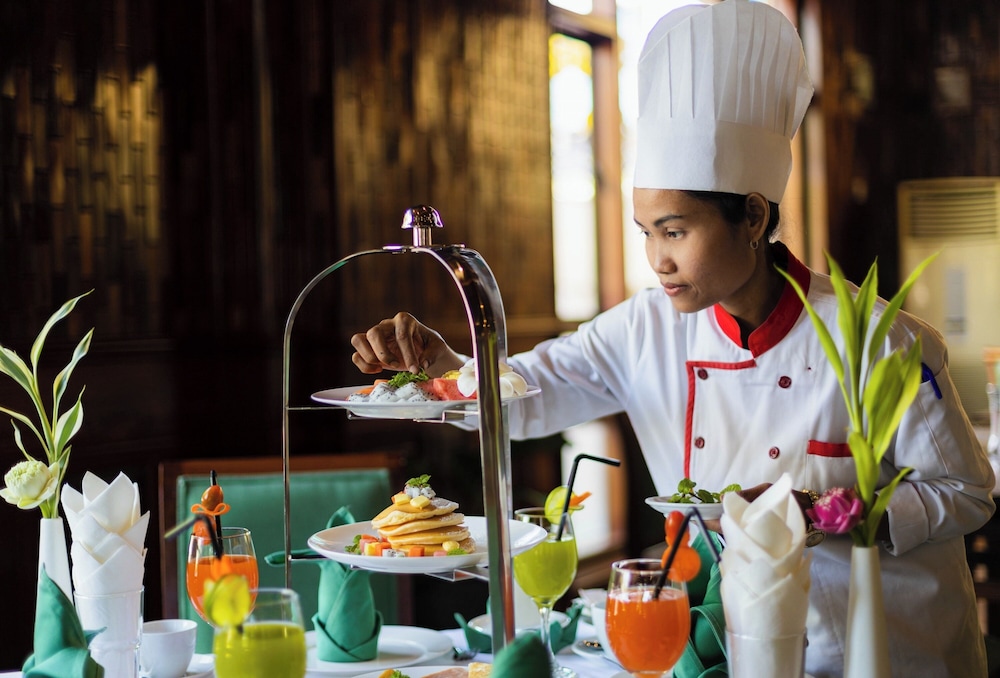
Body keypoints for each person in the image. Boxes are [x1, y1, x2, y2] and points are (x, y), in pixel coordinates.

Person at [349, 1, 996, 676]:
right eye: (646, 233)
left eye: (676, 231)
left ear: (752, 216)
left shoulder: (879, 340)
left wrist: (836, 513)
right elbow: (523, 396)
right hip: (740, 644)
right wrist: (446, 365)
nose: (657, 259)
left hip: (886, 651)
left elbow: (968, 494)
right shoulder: (644, 328)